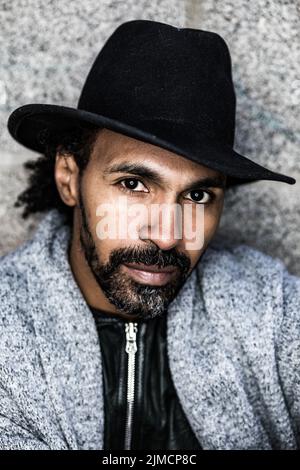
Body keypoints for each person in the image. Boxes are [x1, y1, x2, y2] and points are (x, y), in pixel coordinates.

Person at [1, 19, 299, 450]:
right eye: (133, 184)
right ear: (69, 178)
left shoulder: (271, 313)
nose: (165, 237)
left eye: (197, 194)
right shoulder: (7, 334)